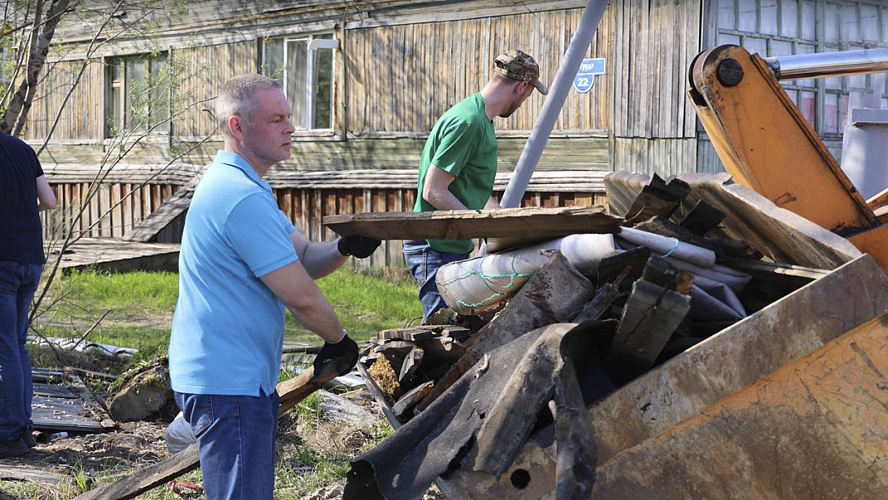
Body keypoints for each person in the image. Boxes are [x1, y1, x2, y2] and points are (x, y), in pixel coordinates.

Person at [168, 74, 379, 499]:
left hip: (231, 376)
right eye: (276, 119)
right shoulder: (238, 195)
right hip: (228, 381)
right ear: (237, 126)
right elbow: (300, 295)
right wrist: (338, 340)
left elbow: (302, 259)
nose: (291, 128)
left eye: (289, 117)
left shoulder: (248, 188)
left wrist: (343, 247)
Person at [403, 49, 548, 322]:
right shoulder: (468, 122)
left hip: (447, 243)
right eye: (528, 96)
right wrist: (481, 226)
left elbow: (470, 192)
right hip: (433, 245)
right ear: (521, 87)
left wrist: (506, 225)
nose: (523, 102)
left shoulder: (482, 120)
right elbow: (433, 190)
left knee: (456, 329)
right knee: (440, 332)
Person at [0, 132, 57, 458]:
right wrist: (20, 210)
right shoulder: (22, 149)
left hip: (3, 260)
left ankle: (8, 435)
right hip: (30, 259)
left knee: (4, 347)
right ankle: (22, 429)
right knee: (16, 345)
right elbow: (49, 201)